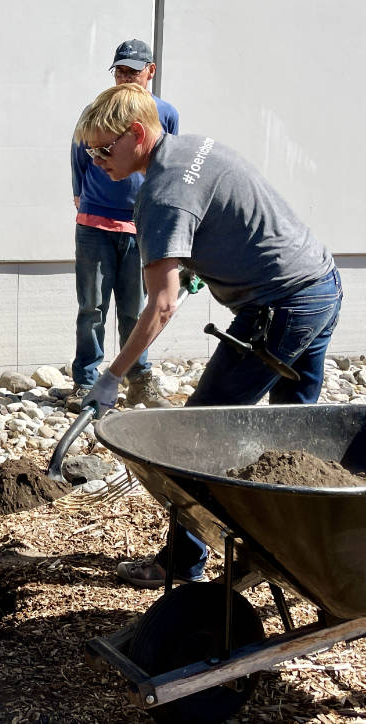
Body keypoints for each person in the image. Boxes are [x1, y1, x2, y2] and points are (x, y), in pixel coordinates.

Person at [75, 84, 342, 588]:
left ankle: (182, 561)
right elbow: (229, 215)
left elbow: (161, 305)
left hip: (280, 308)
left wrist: (113, 377)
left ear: (137, 133)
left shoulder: (160, 195)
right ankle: (301, 556)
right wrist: (202, 265)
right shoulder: (196, 146)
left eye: (105, 149)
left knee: (197, 433)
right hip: (322, 285)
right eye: (90, 151)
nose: (97, 161)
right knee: (299, 435)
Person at [69, 39, 179, 411]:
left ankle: (138, 378)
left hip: (141, 226)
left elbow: (168, 164)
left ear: (151, 71)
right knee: (92, 307)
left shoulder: (165, 113)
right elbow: (80, 154)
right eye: (119, 70)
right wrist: (80, 197)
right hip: (95, 224)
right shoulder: (96, 111)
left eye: (133, 70)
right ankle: (85, 380)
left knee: (136, 308)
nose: (125, 77)